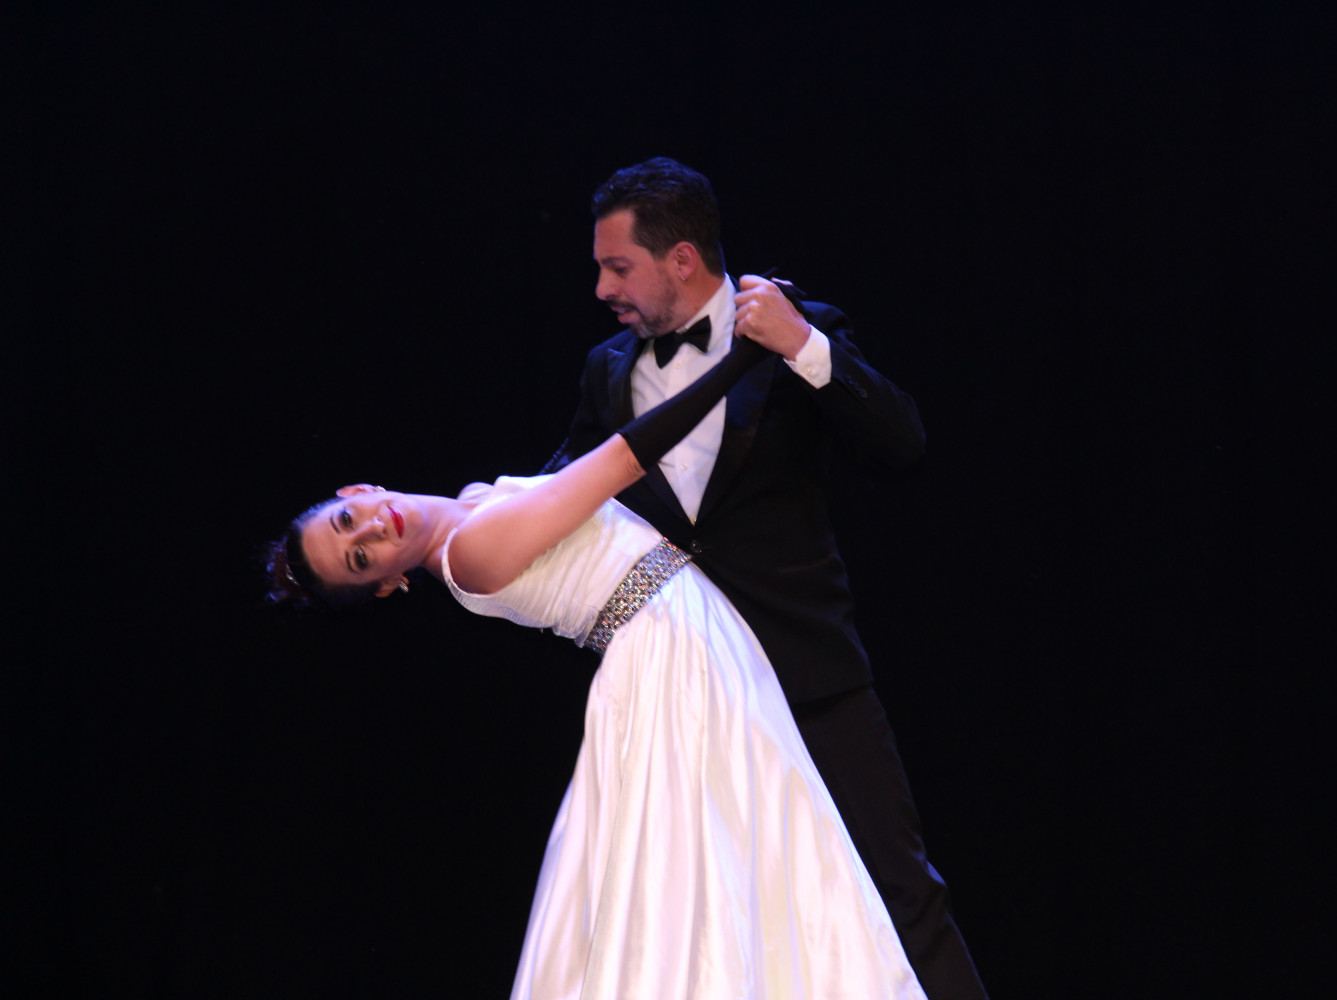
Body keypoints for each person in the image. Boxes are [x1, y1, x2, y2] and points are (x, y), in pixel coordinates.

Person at [267, 335, 926, 999]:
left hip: (683, 633)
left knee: (751, 854)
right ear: (387, 586)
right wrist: (744, 356)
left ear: (356, 490)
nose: (370, 531)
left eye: (347, 520)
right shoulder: (470, 552)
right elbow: (622, 460)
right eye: (360, 559)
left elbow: (581, 468)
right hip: (670, 653)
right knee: (717, 873)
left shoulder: (474, 503)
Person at [542, 158, 988, 999]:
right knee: (710, 917)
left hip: (806, 673)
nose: (602, 287)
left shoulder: (798, 327)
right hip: (684, 695)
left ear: (681, 259)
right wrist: (440, 522)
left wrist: (804, 347)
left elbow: (902, 446)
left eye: (618, 266)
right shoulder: (607, 368)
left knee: (899, 892)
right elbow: (555, 493)